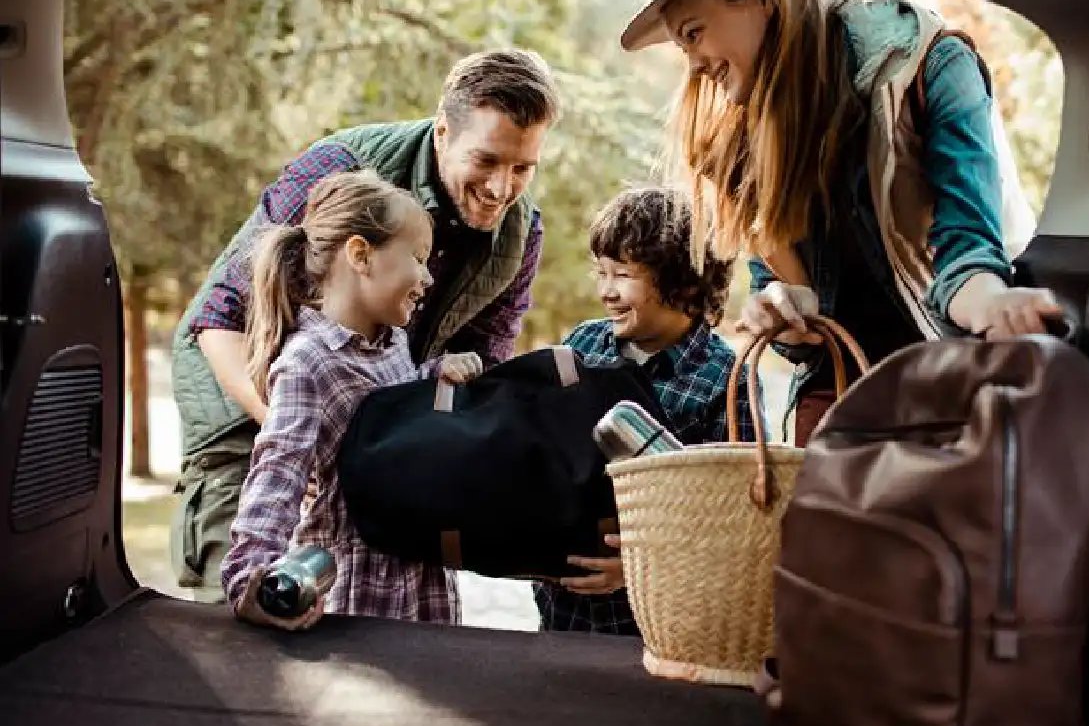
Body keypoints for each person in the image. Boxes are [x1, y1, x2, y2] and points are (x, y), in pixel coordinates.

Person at [622, 0, 1063, 445]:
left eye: (694, 34)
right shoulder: (739, 147)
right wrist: (781, 311)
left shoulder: (927, 63)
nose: (696, 64)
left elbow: (969, 256)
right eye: (684, 49)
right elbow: (797, 315)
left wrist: (995, 306)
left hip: (954, 378)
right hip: (844, 402)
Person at [170, 49, 560, 601]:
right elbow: (219, 320)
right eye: (487, 160)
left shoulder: (520, 236)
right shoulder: (339, 166)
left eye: (523, 168)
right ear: (443, 132)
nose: (501, 187)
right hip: (249, 414)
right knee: (247, 624)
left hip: (370, 435)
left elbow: (480, 371)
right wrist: (307, 442)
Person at [221, 170, 484, 630]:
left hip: (421, 578)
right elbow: (277, 475)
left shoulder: (392, 343)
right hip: (359, 588)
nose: (427, 277)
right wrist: (249, 581)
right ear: (361, 254)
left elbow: (387, 414)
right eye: (419, 258)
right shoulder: (308, 362)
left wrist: (432, 376)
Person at [533, 185, 760, 636]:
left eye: (622, 275)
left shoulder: (725, 379)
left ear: (684, 280)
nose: (606, 291)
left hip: (656, 620)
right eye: (600, 272)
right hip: (563, 611)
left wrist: (635, 568)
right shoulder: (582, 345)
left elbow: (734, 518)